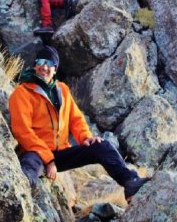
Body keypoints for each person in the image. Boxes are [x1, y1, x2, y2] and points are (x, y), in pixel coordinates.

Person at [9, 46, 150, 203]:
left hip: (62, 153)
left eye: (49, 63)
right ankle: (21, 202)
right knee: (28, 168)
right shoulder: (22, 93)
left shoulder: (62, 90)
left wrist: (86, 137)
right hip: (36, 153)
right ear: (35, 65)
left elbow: (76, 118)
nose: (44, 67)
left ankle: (131, 183)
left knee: (103, 146)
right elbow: (22, 131)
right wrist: (48, 160)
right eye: (41, 62)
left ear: (55, 69)